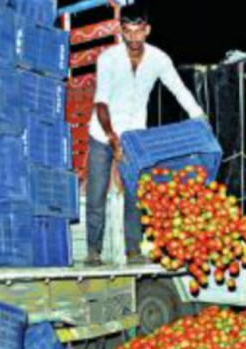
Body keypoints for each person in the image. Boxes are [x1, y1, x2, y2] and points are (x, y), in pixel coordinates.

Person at [86, 5, 206, 266]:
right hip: (102, 134)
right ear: (121, 31)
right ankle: (93, 250)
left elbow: (179, 89)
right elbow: (101, 102)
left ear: (147, 30)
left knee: (134, 193)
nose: (133, 38)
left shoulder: (159, 59)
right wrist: (111, 137)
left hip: (134, 137)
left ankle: (133, 250)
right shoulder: (108, 59)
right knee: (96, 195)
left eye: (138, 31)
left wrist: (199, 116)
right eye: (128, 32)